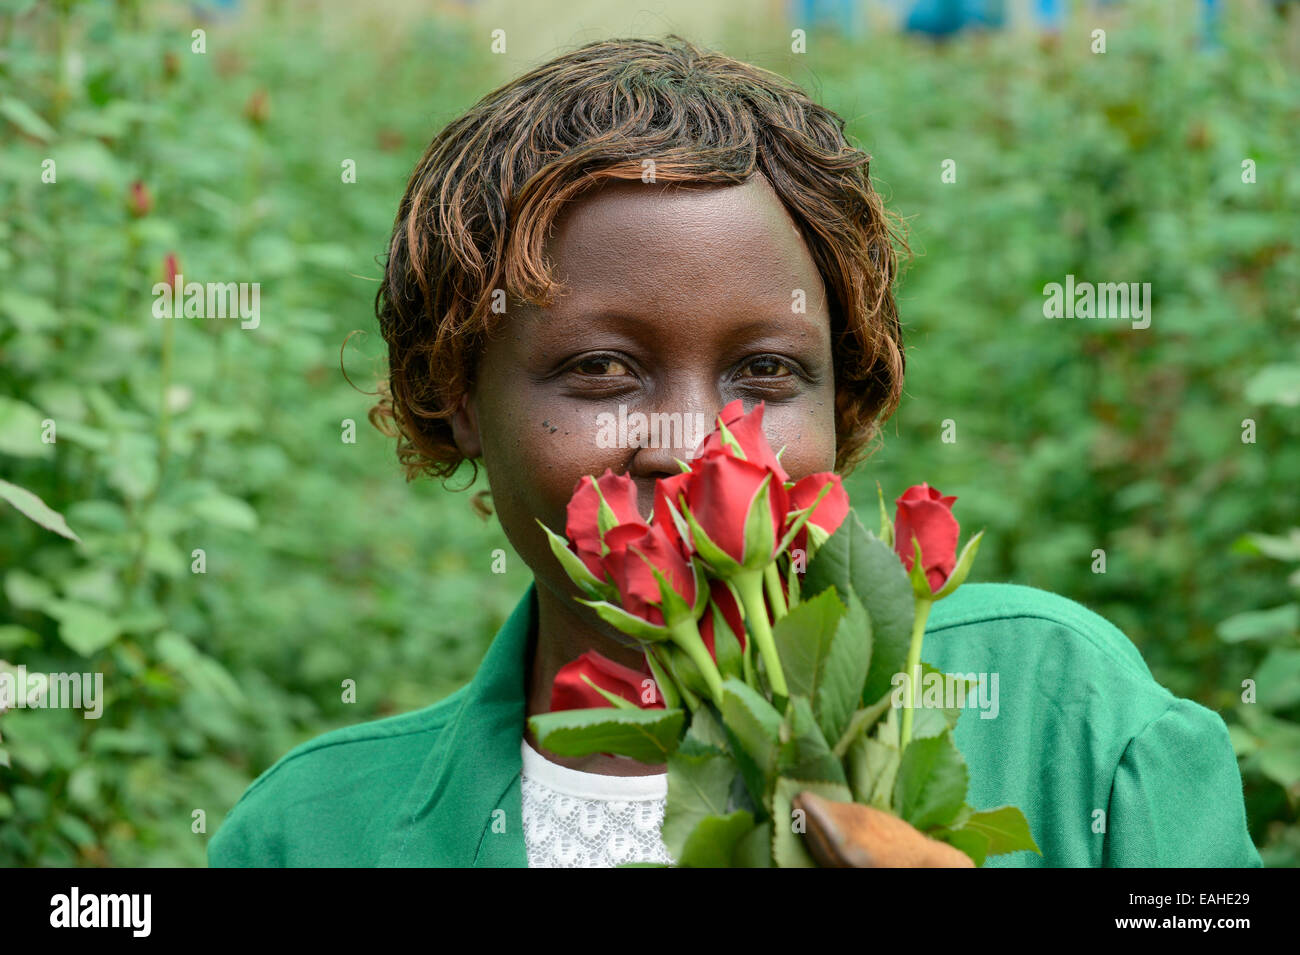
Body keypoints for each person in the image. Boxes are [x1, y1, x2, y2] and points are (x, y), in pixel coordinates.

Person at [207, 34, 1260, 868]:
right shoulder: (308, 834)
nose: (691, 446)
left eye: (764, 375)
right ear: (456, 399)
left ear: (848, 395)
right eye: (602, 371)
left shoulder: (1064, 712)